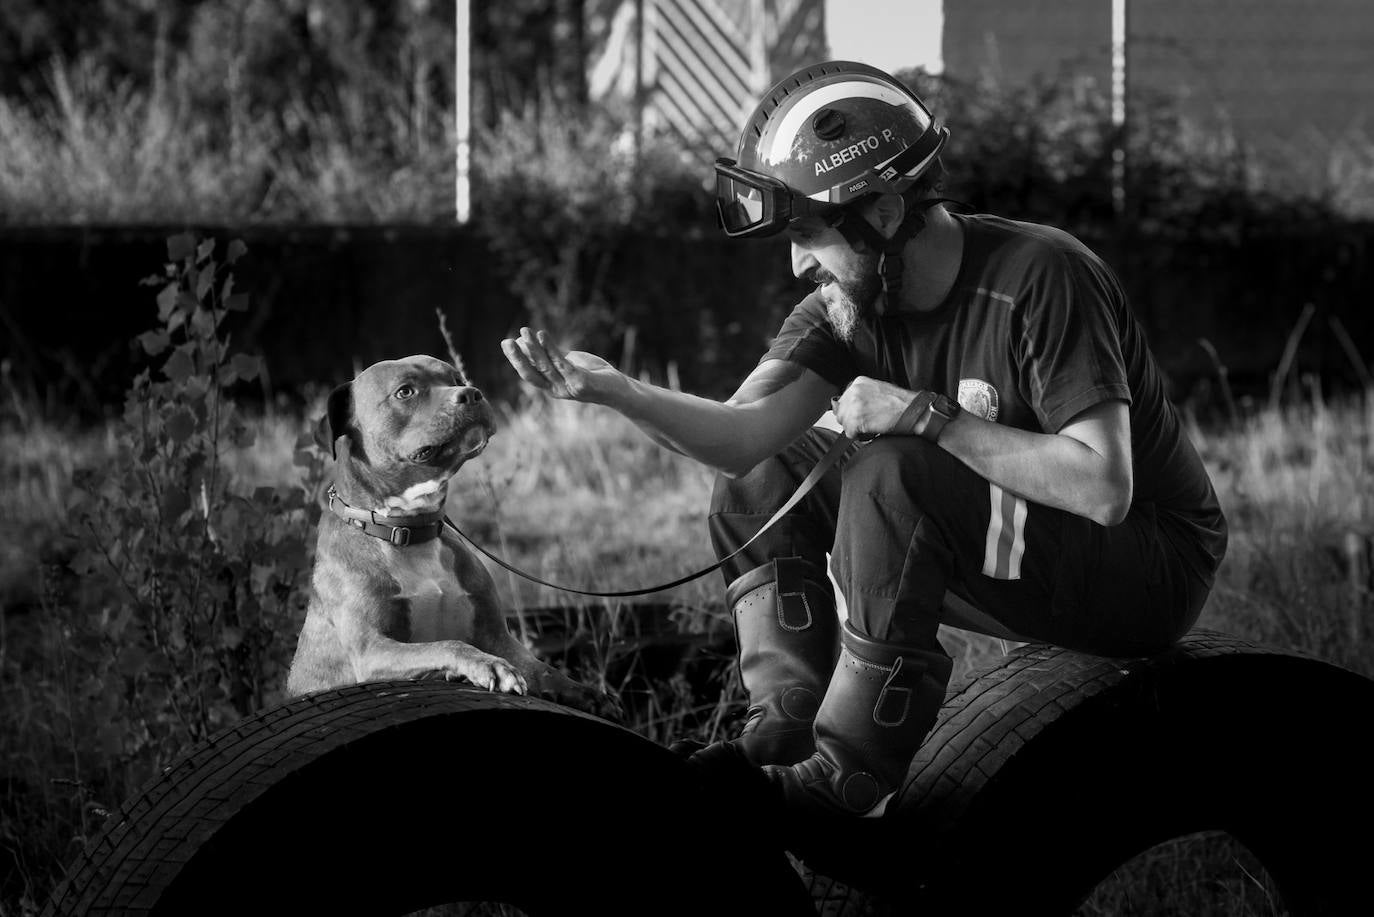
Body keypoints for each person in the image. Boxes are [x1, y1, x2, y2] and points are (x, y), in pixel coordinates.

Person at [501, 60, 1227, 817]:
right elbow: (741, 440)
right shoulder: (845, 305)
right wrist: (618, 390)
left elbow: (1104, 487)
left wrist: (926, 414)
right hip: (1025, 547)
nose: (795, 262)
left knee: (893, 469)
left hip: (1149, 567)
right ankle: (782, 725)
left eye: (808, 232)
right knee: (773, 467)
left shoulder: (1042, 275)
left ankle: (850, 775)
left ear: (880, 212)